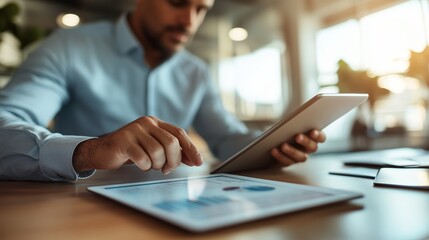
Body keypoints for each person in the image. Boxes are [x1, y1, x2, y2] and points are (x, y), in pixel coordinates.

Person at [0, 0, 326, 181]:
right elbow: (5, 122)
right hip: (82, 208)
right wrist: (90, 150)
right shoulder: (69, 47)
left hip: (175, 211)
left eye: (201, 9)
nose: (189, 21)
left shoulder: (195, 71)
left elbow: (227, 138)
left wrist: (272, 144)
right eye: (178, 2)